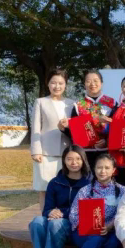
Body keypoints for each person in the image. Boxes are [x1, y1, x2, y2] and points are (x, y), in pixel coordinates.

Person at [29, 145, 91, 248]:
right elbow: (46, 209)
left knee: (56, 223)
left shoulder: (89, 183)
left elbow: (86, 209)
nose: (74, 162)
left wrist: (62, 213)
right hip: (56, 219)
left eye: (78, 159)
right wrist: (50, 212)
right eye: (69, 159)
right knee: (37, 222)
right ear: (64, 161)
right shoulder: (55, 182)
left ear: (83, 160)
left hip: (74, 224)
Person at [67, 154, 125, 248]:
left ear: (114, 170)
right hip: (84, 233)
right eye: (99, 167)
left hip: (109, 232)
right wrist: (88, 225)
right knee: (95, 237)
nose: (102, 171)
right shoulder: (85, 191)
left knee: (116, 242)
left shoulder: (122, 191)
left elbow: (123, 214)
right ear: (94, 169)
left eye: (107, 168)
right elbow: (73, 214)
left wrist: (109, 226)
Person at [31, 69, 74, 209]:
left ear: (65, 84)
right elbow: (36, 127)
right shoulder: (41, 102)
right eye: (53, 83)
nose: (57, 86)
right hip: (45, 153)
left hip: (68, 153)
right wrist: (36, 151)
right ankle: (45, 216)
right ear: (48, 84)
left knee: (65, 188)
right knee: (44, 188)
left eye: (61, 83)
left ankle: (64, 217)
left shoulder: (72, 104)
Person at [58, 69, 117, 169]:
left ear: (101, 83)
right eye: (88, 81)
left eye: (95, 80)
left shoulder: (112, 103)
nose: (92, 84)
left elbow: (117, 128)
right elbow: (74, 133)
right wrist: (64, 128)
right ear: (84, 84)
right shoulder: (78, 105)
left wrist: (107, 141)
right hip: (85, 154)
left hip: (107, 153)